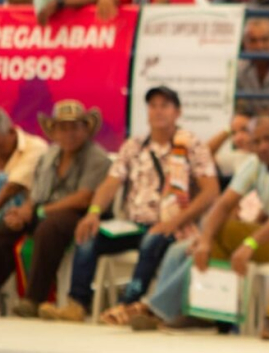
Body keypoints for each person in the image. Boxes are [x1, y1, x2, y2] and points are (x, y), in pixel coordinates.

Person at [134, 114, 269, 339]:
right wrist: (205, 240)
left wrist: (251, 242)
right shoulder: (255, 163)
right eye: (257, 141)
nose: (262, 146)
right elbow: (224, 204)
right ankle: (209, 311)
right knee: (221, 229)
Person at [38, 86, 218, 322]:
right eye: (153, 105)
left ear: (178, 112)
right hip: (132, 224)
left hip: (173, 226)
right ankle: (77, 305)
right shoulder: (134, 145)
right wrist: (93, 213)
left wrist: (174, 222)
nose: (158, 111)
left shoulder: (192, 145)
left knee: (153, 239)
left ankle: (128, 305)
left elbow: (211, 191)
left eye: (165, 105)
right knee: (88, 233)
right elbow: (111, 183)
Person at [0, 101, 109, 317]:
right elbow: (36, 192)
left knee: (49, 228)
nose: (70, 134)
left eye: (75, 127)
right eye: (63, 128)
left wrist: (42, 210)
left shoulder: (96, 156)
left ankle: (33, 300)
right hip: (43, 211)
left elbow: (84, 198)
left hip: (79, 216)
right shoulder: (49, 156)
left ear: (86, 129)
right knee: (4, 229)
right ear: (54, 132)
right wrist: (26, 210)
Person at [0, 109, 48, 224]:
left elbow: (13, 187)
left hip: (25, 209)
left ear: (11, 131)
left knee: (2, 180)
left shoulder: (36, 147)